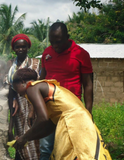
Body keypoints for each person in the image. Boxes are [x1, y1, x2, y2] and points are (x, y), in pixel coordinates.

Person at [12, 68, 112, 160]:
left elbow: (43, 118)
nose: (20, 95)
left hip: (72, 122)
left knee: (74, 155)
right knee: (86, 153)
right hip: (82, 120)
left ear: (23, 82)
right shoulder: (45, 88)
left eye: (17, 90)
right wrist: (26, 139)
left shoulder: (32, 88)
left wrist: (24, 137)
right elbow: (49, 127)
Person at [39, 22, 93, 159]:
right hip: (49, 108)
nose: (54, 46)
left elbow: (88, 85)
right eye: (51, 42)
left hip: (71, 110)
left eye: (58, 42)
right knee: (45, 148)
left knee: (68, 149)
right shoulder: (47, 53)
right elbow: (41, 78)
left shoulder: (81, 54)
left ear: (67, 37)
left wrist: (88, 112)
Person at [7, 33, 40, 160]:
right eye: (17, 47)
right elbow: (9, 88)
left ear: (28, 47)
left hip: (33, 103)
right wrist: (13, 102)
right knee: (20, 139)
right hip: (18, 106)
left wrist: (32, 109)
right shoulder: (10, 64)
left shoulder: (36, 63)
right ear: (13, 48)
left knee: (34, 137)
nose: (20, 49)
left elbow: (38, 86)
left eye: (23, 47)